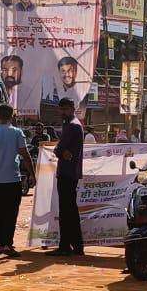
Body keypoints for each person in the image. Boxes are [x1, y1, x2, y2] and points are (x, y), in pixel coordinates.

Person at [0, 104, 31, 256]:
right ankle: (6, 244)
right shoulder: (17, 133)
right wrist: (32, 174)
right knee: (11, 213)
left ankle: (0, 243)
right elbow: (25, 154)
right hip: (12, 179)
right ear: (12, 116)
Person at [51, 97, 85, 256]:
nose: (62, 112)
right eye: (61, 109)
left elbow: (60, 149)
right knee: (69, 210)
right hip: (69, 172)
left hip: (68, 173)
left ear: (72, 108)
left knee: (67, 210)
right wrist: (61, 151)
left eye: (65, 109)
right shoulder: (71, 125)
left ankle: (67, 245)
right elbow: (61, 151)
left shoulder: (72, 126)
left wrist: (60, 151)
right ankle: (75, 245)